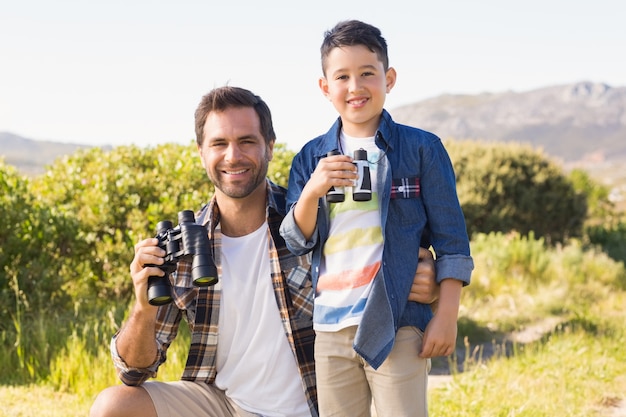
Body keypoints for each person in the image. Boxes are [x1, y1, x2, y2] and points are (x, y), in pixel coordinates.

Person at [89, 86, 439, 417]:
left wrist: (426, 279)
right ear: (200, 152)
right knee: (114, 406)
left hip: (314, 405)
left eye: (246, 141)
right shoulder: (186, 246)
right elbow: (135, 372)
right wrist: (143, 308)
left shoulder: (310, 219)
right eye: (219, 143)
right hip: (225, 404)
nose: (233, 156)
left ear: (269, 147)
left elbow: (386, 253)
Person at [279, 20, 474, 417]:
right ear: (325, 87)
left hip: (397, 321)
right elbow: (296, 240)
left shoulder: (422, 149)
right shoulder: (310, 158)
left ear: (389, 78)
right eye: (342, 76)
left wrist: (447, 316)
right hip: (330, 328)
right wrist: (314, 190)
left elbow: (452, 240)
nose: (356, 87)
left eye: (367, 73)